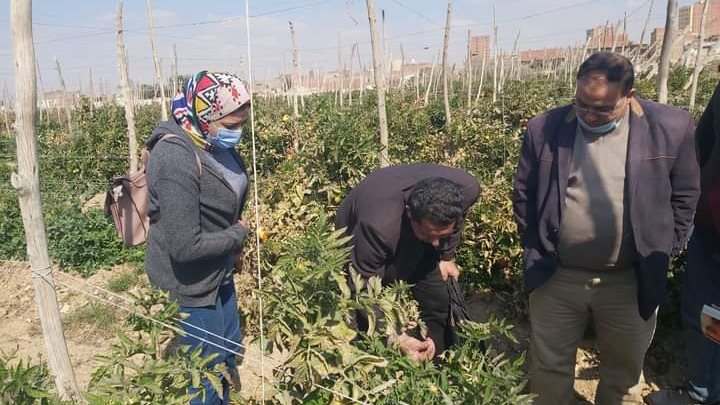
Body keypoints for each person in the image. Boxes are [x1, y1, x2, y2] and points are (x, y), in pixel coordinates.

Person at [512, 52, 700, 405]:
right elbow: (524, 193)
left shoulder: (671, 128)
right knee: (549, 370)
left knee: (623, 373)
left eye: (602, 109)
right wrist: (536, 243)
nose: (588, 115)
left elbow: (686, 195)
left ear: (629, 94)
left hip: (629, 279)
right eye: (581, 104)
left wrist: (664, 246)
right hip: (558, 276)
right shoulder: (546, 127)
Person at [145, 71, 251, 405]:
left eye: (242, 124)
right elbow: (185, 246)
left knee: (228, 343)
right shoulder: (176, 157)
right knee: (205, 371)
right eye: (231, 126)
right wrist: (236, 235)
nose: (238, 133)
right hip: (192, 279)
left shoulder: (210, 141)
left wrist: (233, 247)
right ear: (204, 116)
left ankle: (224, 383)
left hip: (219, 264)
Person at [335, 163, 480, 360]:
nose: (436, 242)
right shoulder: (378, 227)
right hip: (359, 230)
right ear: (409, 212)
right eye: (430, 235)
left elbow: (457, 219)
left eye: (442, 235)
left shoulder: (466, 190)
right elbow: (363, 287)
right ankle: (373, 359)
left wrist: (446, 256)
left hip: (410, 224)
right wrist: (397, 337)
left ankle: (436, 363)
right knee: (367, 312)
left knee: (438, 300)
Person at [649, 83, 720, 405]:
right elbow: (698, 149)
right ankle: (701, 392)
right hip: (711, 232)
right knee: (704, 315)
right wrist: (683, 221)